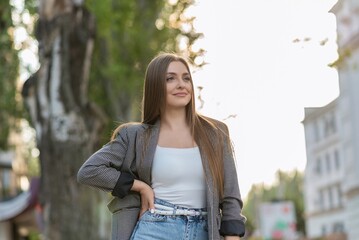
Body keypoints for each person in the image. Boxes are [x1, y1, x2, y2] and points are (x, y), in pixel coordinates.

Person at [77, 52, 246, 240]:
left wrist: (232, 236)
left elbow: (231, 198)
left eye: (186, 78)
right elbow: (89, 171)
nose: (181, 84)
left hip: (205, 231)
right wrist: (140, 186)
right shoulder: (135, 136)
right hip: (155, 228)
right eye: (170, 79)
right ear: (155, 87)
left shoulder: (215, 133)